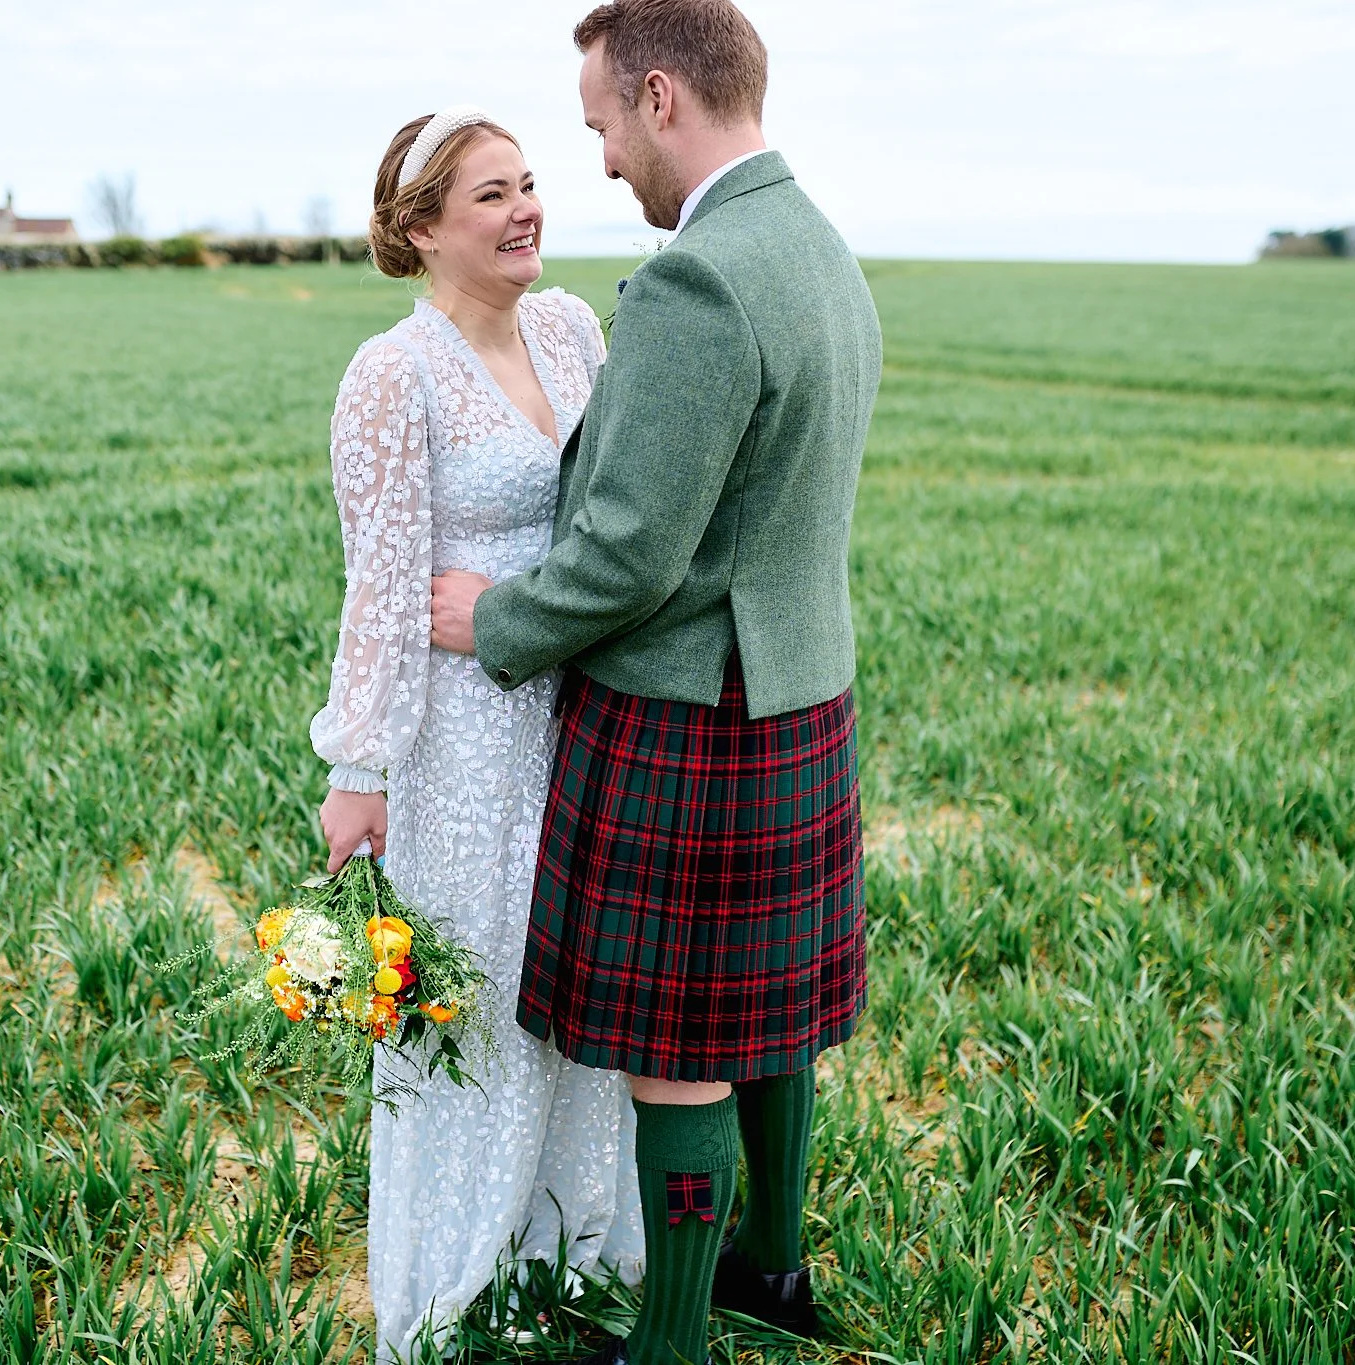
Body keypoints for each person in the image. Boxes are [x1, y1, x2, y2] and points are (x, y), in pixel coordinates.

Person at [428, 1, 884, 1361]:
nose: (607, 161)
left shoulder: (701, 277)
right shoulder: (816, 244)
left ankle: (673, 1344)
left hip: (693, 706)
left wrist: (495, 619)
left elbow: (629, 555)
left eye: (603, 126)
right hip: (798, 685)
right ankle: (773, 1269)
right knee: (769, 1014)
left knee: (680, 1040)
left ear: (664, 97)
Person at [309, 107, 643, 1363]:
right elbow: (379, 588)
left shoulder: (570, 327)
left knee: (575, 1003)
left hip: (577, 711)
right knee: (468, 1012)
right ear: (420, 230)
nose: (526, 211)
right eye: (492, 196)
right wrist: (357, 770)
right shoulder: (389, 374)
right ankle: (455, 1303)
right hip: (460, 745)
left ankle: (569, 1278)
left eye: (530, 185)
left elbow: (614, 519)